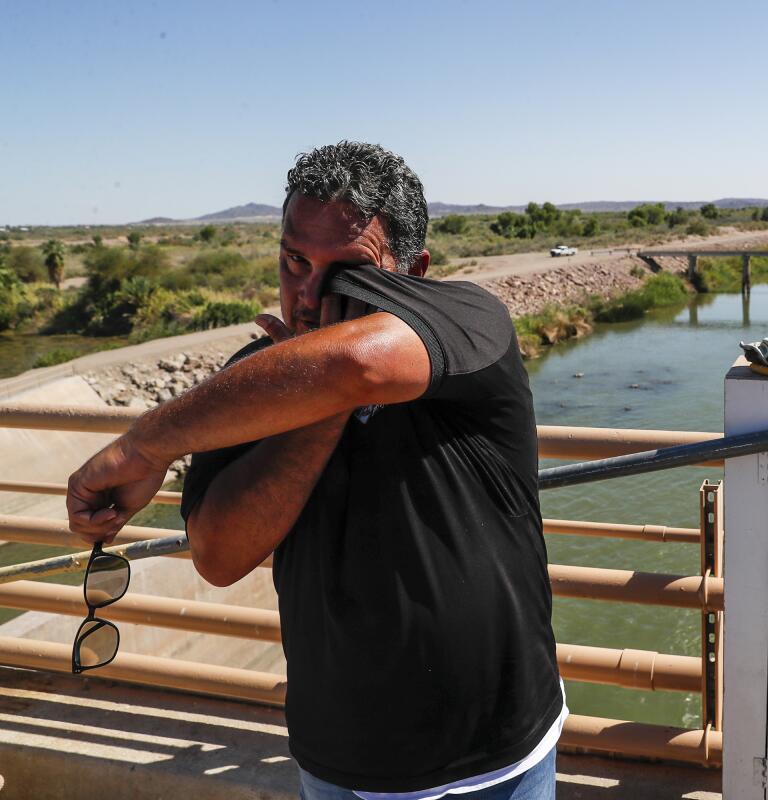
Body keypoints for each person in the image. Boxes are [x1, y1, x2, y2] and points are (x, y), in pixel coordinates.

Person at [66, 141, 564, 799]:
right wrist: (315, 412)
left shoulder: (469, 320)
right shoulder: (252, 382)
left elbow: (359, 365)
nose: (309, 293)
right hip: (337, 760)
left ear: (412, 270)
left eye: (348, 271)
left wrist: (145, 447)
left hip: (492, 759)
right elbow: (218, 555)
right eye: (294, 260)